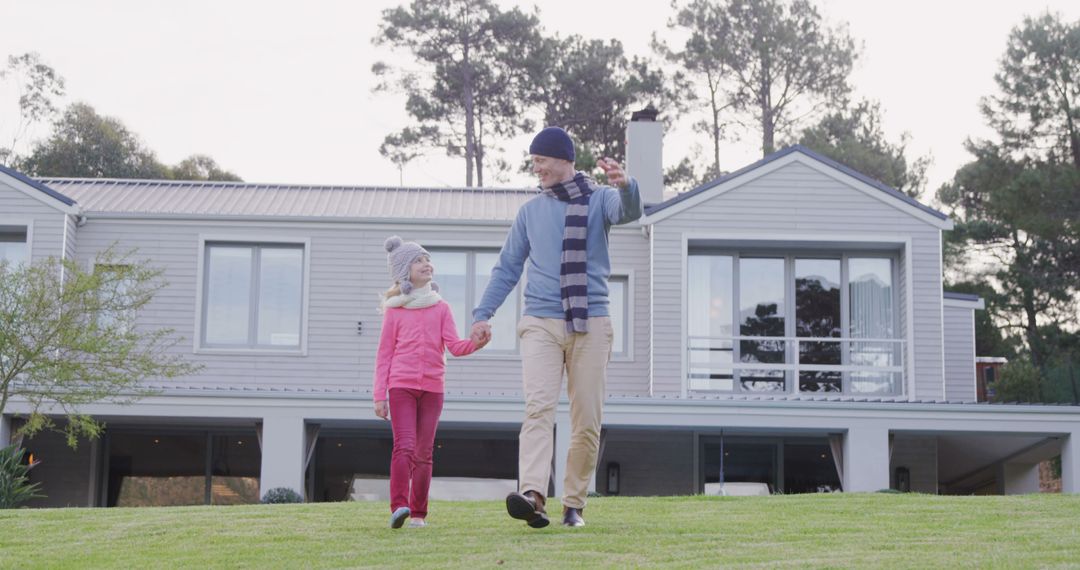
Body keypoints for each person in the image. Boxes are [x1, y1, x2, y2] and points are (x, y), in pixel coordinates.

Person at [470, 126, 642, 528]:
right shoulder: (531, 211)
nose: (537, 168)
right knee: (538, 408)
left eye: (541, 160)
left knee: (586, 419)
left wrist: (626, 185)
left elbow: (629, 211)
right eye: (534, 162)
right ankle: (532, 495)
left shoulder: (600, 199)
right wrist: (483, 313)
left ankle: (574, 504)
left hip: (591, 320)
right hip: (541, 320)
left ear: (564, 159)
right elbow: (508, 267)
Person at [374, 236, 486, 529]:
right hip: (401, 386)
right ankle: (399, 506)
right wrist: (379, 396)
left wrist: (476, 343)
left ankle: (419, 513)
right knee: (405, 446)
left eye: (427, 259)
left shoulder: (441, 308)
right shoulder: (394, 311)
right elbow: (384, 355)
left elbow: (455, 346)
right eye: (418, 260)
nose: (426, 264)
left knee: (424, 452)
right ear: (404, 271)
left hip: (433, 389)